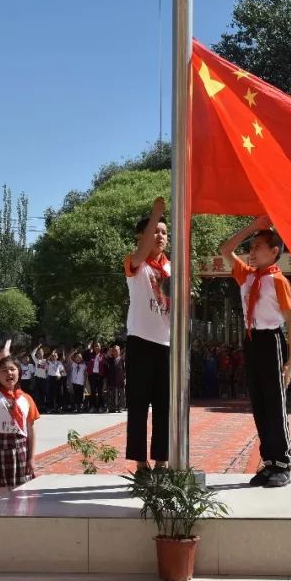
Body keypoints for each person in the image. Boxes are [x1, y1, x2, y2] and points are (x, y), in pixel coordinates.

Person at [221, 215, 291, 488]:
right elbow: (225, 250)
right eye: (251, 247)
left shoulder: (279, 281)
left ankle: (283, 462)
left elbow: (290, 320)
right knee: (259, 403)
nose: (252, 251)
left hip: (272, 340)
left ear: (274, 252)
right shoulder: (246, 275)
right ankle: (269, 463)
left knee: (275, 403)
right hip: (251, 340)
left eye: (258, 246)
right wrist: (252, 228)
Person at [123, 197, 171, 473]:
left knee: (164, 405)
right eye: (155, 231)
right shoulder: (135, 264)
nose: (160, 236)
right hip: (140, 341)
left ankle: (162, 461)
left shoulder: (171, 268)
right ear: (141, 236)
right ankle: (141, 463)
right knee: (139, 404)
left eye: (164, 232)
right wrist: (155, 214)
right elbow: (141, 254)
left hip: (165, 344)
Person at [0, 340, 40, 499]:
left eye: (12, 369)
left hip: (20, 447)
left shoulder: (27, 399)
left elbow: (31, 431)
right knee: (0, 496)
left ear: (19, 373)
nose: (9, 373)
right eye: (4, 370)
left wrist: (32, 458)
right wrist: (0, 355)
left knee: (21, 494)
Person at [105, 344, 126, 413]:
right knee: (111, 394)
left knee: (121, 394)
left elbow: (125, 370)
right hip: (111, 379)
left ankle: (120, 407)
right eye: (113, 351)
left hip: (120, 380)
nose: (115, 352)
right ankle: (111, 407)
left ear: (119, 351)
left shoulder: (122, 360)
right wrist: (109, 352)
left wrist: (125, 378)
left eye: (116, 350)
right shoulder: (109, 360)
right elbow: (104, 359)